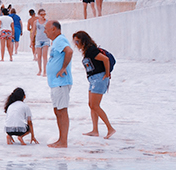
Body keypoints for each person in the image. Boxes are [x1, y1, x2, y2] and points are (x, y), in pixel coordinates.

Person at [72, 31, 116, 139]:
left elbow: (105, 59)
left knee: (95, 105)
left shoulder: (91, 50)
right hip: (93, 80)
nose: (76, 44)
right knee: (91, 105)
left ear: (83, 40)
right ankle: (95, 130)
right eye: (74, 42)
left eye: (77, 41)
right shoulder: (87, 51)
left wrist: (107, 73)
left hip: (99, 79)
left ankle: (110, 128)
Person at [44, 20, 73, 148]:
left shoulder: (60, 40)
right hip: (56, 83)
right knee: (57, 111)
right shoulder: (56, 41)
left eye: (46, 29)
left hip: (61, 82)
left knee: (62, 110)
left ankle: (63, 141)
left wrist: (63, 68)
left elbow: (69, 51)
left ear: (54, 29)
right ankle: (61, 139)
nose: (45, 31)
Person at [34, 9, 50, 76]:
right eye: (41, 14)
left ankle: (45, 71)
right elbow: (34, 31)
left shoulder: (47, 22)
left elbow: (50, 31)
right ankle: (40, 70)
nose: (43, 16)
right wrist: (32, 41)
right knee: (39, 56)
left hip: (46, 39)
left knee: (45, 56)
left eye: (44, 14)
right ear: (38, 15)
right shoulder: (36, 22)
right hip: (38, 39)